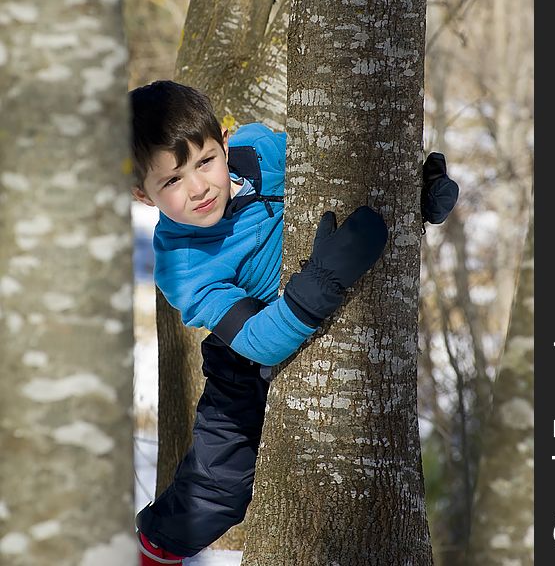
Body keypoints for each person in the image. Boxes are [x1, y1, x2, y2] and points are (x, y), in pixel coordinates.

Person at [129, 80, 457, 564]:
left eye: (204, 162)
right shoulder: (182, 262)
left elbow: (346, 177)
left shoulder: (262, 150)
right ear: (142, 195)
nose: (198, 187)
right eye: (171, 181)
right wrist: (320, 284)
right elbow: (258, 343)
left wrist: (410, 196)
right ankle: (152, 550)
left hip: (317, 298)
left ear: (224, 140)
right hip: (241, 352)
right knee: (219, 486)